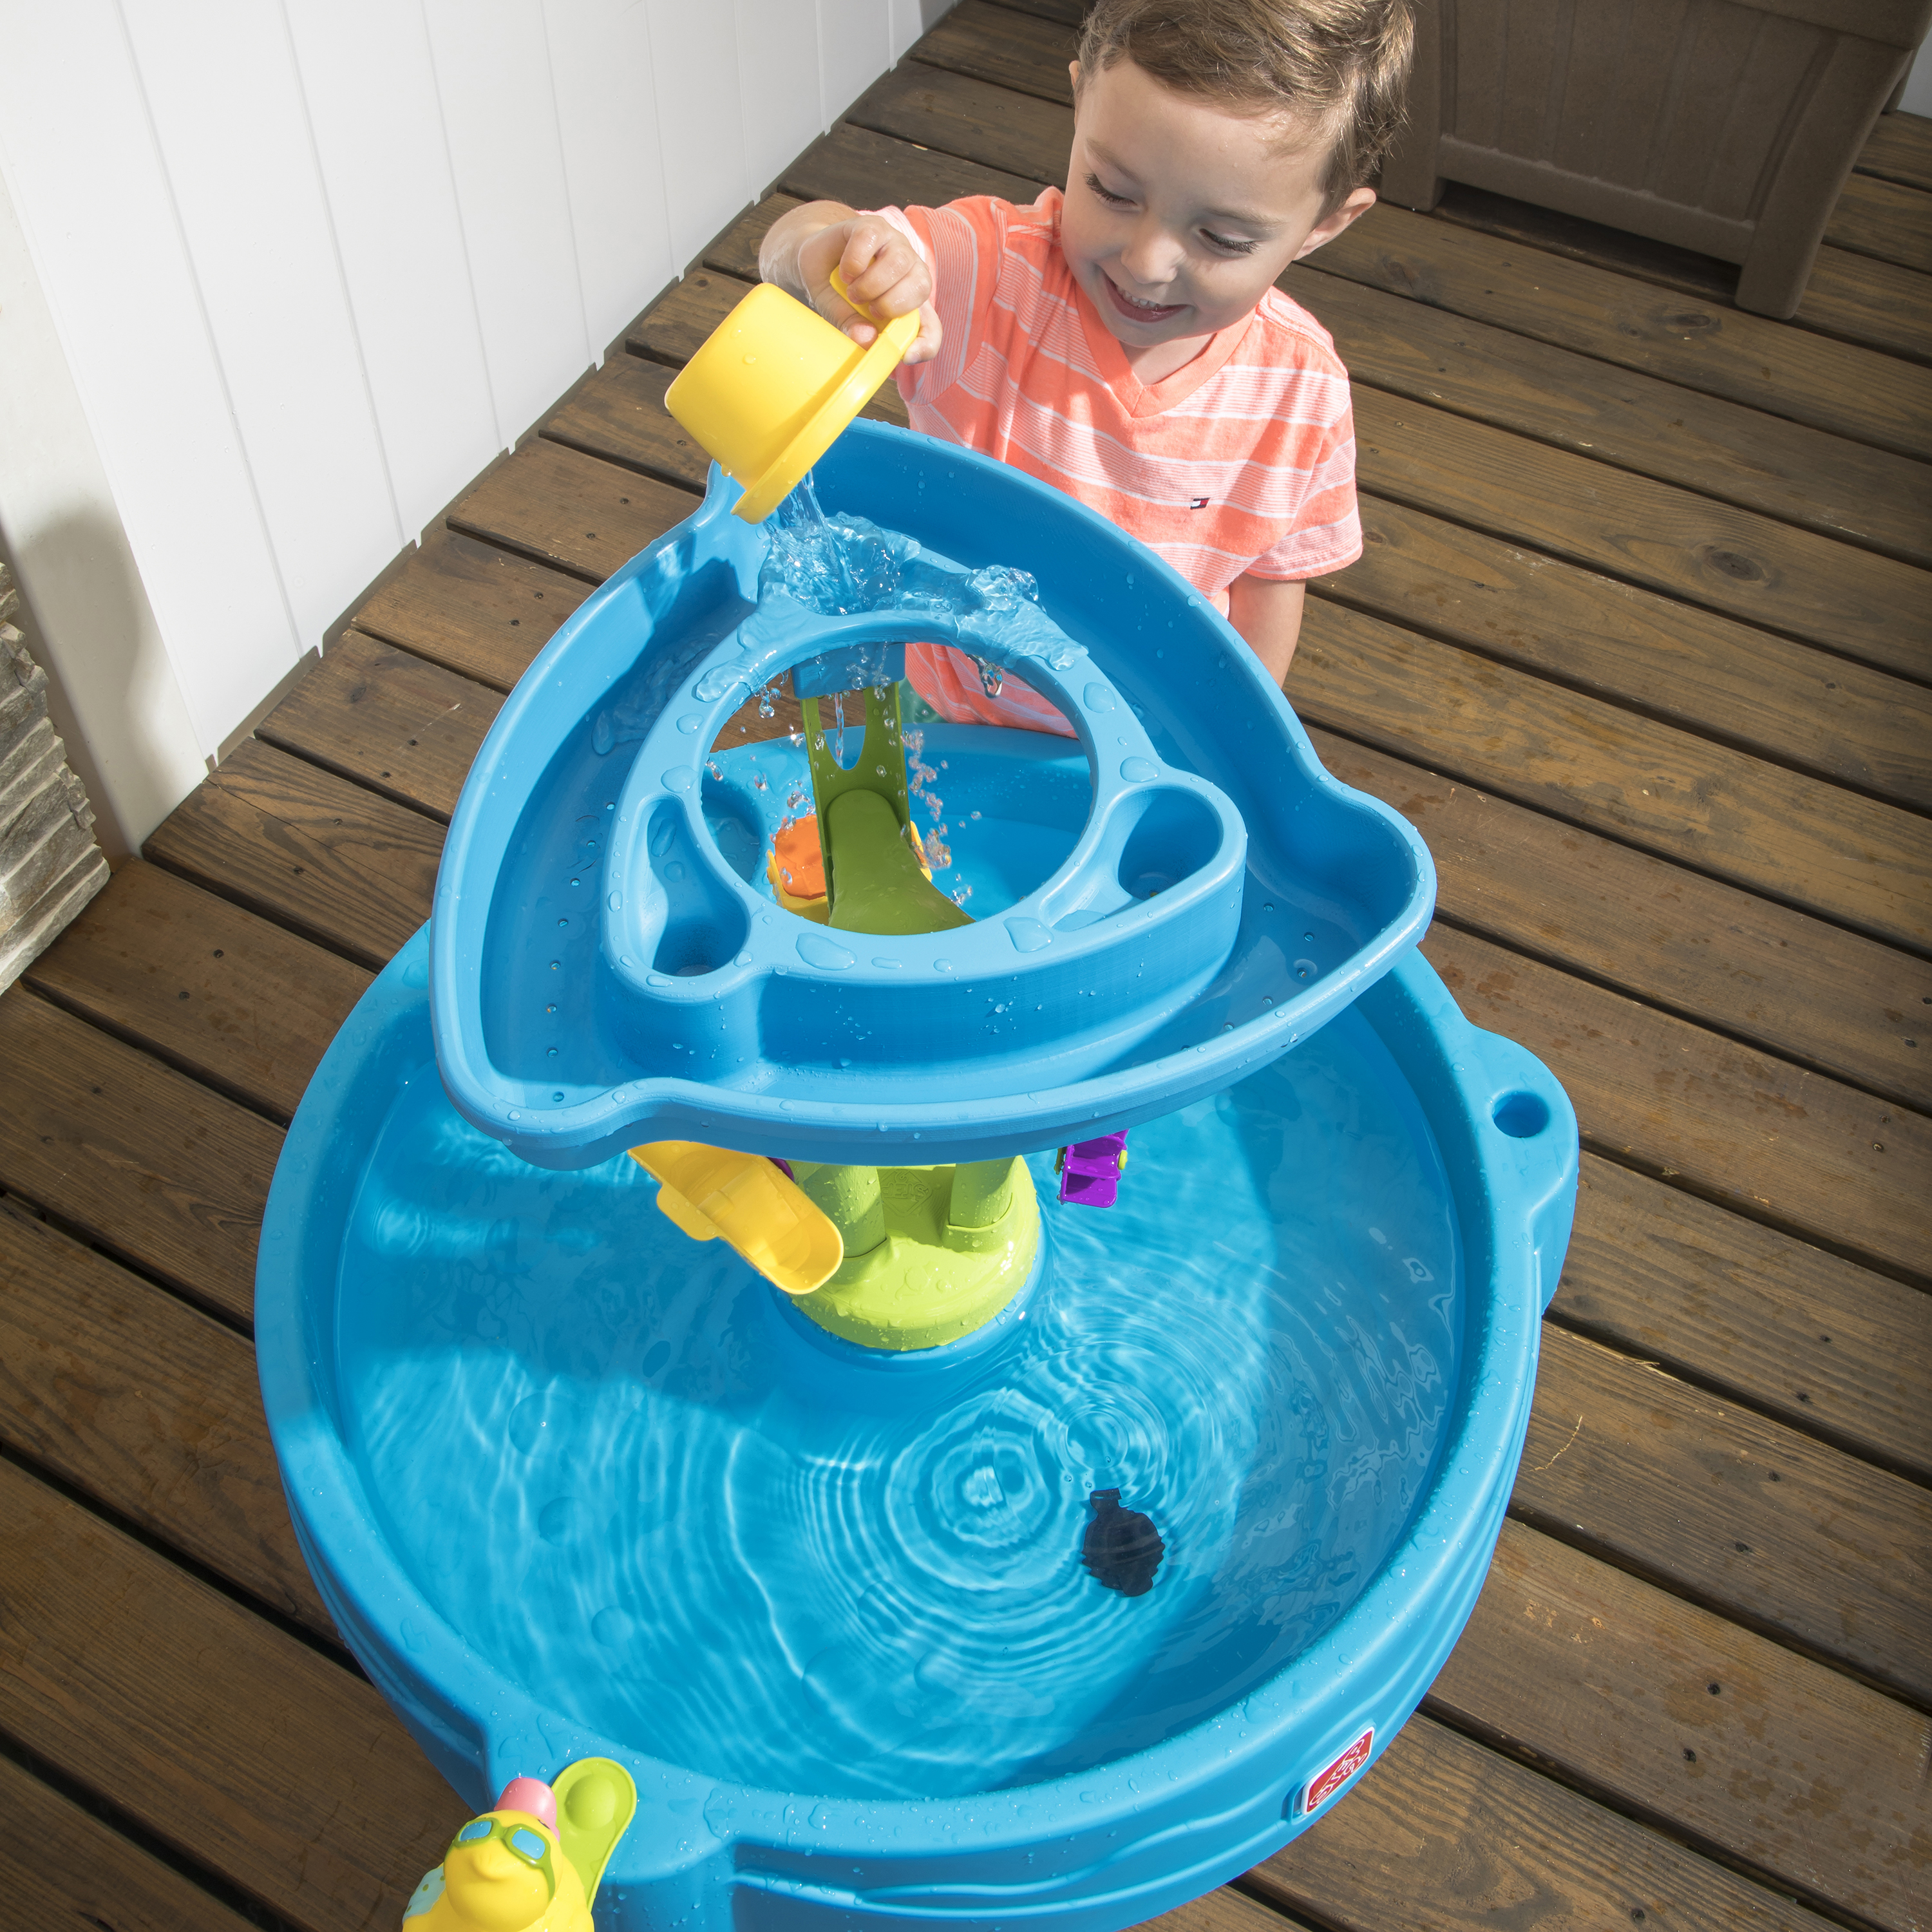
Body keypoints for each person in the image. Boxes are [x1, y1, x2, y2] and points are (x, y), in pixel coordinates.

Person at [757, 0, 1412, 733]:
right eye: (1112, 192)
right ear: (1080, 102)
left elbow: (1268, 587)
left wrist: (1240, 744)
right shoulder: (982, 277)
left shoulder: (1301, 393)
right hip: (941, 709)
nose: (1146, 262)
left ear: (1327, 224)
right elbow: (798, 240)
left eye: (1222, 238)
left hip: (1145, 748)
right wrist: (828, 255)